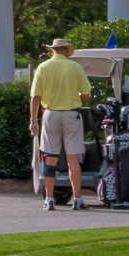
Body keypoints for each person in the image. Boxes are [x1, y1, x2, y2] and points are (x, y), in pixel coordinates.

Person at [29, 38, 90, 211]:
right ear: (65, 51)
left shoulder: (43, 67)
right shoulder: (75, 67)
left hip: (50, 115)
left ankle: (49, 199)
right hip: (71, 115)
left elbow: (35, 97)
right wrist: (74, 93)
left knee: (50, 159)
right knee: (73, 160)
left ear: (52, 51)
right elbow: (85, 94)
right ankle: (77, 199)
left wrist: (33, 120)